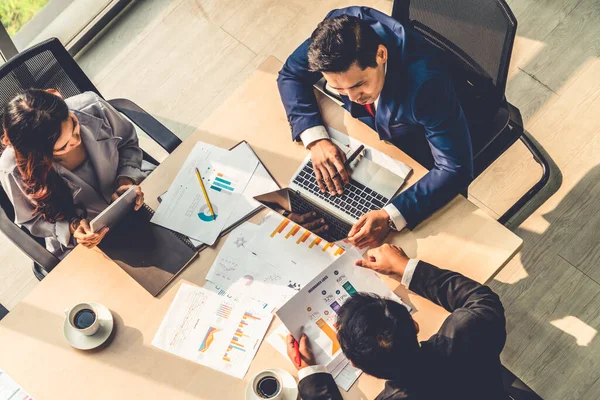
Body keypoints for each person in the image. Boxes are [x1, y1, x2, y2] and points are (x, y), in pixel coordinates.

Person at [278, 7, 473, 249]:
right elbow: (290, 75)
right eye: (338, 89)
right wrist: (315, 139)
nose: (352, 97)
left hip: (428, 132)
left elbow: (456, 168)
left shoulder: (426, 88)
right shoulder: (336, 35)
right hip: (379, 131)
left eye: (359, 84)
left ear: (381, 54)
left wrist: (390, 217)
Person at [285, 244, 507, 399]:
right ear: (414, 324)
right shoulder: (470, 330)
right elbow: (481, 299)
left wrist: (312, 377)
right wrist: (405, 267)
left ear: (354, 363)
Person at [0, 89, 150, 259]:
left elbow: (128, 143)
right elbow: (32, 220)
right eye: (63, 148)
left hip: (137, 200)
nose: (77, 141)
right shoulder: (11, 168)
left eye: (75, 127)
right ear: (39, 155)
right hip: (88, 244)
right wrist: (72, 227)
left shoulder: (92, 106)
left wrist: (126, 179)